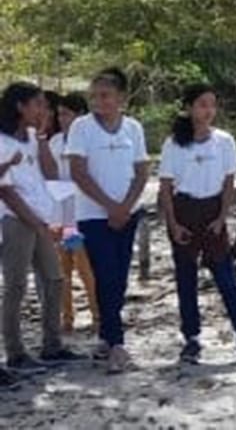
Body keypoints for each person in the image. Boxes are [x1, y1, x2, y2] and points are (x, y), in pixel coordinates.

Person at [159, 84, 236, 363]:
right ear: (190, 108)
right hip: (185, 210)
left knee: (226, 278)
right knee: (186, 278)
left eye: (212, 105)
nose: (208, 111)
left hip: (213, 210)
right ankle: (191, 338)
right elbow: (166, 187)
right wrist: (172, 223)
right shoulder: (174, 143)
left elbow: (229, 181)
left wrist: (222, 217)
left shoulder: (224, 141)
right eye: (202, 104)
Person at [66, 67, 150, 374]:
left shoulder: (133, 128)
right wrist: (109, 206)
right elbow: (78, 171)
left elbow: (142, 171)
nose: (99, 101)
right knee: (106, 274)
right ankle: (117, 343)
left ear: (121, 98)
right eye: (95, 96)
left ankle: (105, 335)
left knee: (120, 277)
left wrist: (125, 206)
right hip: (93, 215)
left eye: (105, 95)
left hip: (127, 213)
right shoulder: (82, 128)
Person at [0, 82, 82, 373]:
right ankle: (15, 352)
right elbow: (5, 191)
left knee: (54, 278)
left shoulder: (35, 137)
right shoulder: (2, 141)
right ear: (20, 107)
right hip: (15, 220)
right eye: (38, 105)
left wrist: (44, 137)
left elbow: (49, 173)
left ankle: (52, 345)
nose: (43, 111)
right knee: (16, 286)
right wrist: (34, 222)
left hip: (40, 218)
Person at [49, 92, 99, 333]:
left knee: (85, 268)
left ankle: (97, 315)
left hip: (80, 217)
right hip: (60, 216)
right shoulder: (55, 142)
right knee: (62, 272)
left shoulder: (90, 140)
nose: (61, 119)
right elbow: (51, 179)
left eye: (66, 114)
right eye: (59, 114)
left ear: (80, 115)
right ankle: (67, 318)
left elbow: (86, 179)